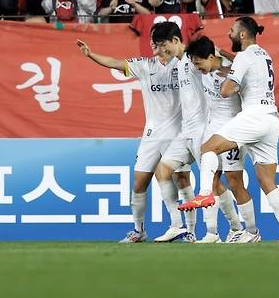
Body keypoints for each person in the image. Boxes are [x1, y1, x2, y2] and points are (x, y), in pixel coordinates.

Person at [178, 16, 279, 244]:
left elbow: (225, 91)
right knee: (266, 179)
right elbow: (246, 69)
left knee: (208, 148)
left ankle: (205, 193)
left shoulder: (244, 57)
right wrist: (227, 57)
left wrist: (231, 78)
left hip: (253, 116)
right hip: (272, 119)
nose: (229, 33)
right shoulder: (264, 54)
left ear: (243, 34)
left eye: (232, 30)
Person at [76, 38, 193, 243]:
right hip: (152, 134)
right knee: (139, 183)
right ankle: (139, 231)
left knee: (182, 180)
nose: (152, 47)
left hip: (178, 133)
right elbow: (115, 62)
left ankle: (189, 230)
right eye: (151, 43)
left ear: (168, 43)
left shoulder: (184, 64)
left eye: (156, 43)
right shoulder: (145, 65)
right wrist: (90, 54)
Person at [151, 21, 235, 243]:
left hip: (203, 130)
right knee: (162, 170)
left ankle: (216, 232)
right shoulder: (177, 64)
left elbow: (222, 62)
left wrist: (228, 60)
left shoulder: (195, 57)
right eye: (158, 46)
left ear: (176, 41)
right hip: (184, 132)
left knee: (212, 184)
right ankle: (178, 226)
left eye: (163, 45)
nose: (161, 51)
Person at [186, 36, 260, 244]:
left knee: (235, 181)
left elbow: (249, 71)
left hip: (234, 128)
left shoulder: (233, 71)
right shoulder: (205, 67)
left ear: (211, 57)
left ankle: (252, 231)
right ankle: (215, 232)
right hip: (213, 127)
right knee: (212, 179)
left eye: (199, 63)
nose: (197, 67)